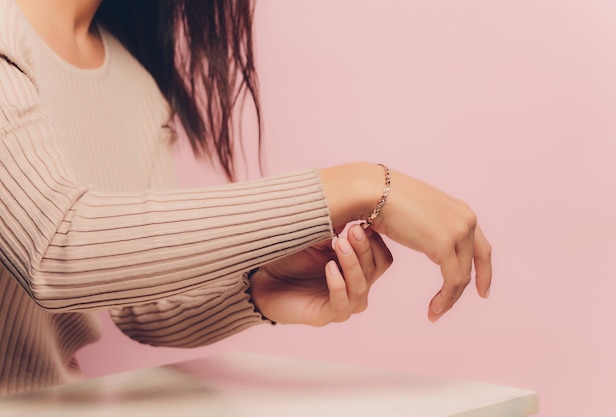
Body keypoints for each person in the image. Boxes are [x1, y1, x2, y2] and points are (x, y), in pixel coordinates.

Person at [0, 0, 492, 396]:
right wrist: (356, 186)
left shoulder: (135, 83)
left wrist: (258, 287)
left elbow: (145, 305)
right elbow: (56, 247)